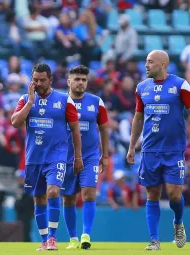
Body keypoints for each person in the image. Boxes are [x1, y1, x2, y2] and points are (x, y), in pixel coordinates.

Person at [126, 50, 190, 250]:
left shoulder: (179, 85)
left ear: (162, 64)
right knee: (152, 194)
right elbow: (138, 118)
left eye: (150, 62)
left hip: (174, 150)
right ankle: (154, 240)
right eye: (146, 62)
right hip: (150, 150)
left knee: (174, 194)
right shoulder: (142, 87)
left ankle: (178, 222)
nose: (146, 65)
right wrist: (132, 145)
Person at [11, 63, 83, 251]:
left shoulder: (64, 100)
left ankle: (52, 238)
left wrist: (77, 156)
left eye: (42, 80)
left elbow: (75, 130)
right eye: (35, 80)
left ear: (50, 80)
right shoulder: (25, 99)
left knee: (53, 192)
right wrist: (30, 102)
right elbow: (15, 123)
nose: (39, 83)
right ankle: (44, 240)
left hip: (57, 156)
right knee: (39, 198)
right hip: (34, 157)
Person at [62, 65, 110, 250]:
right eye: (77, 79)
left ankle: (86, 235)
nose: (80, 82)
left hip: (90, 155)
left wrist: (105, 155)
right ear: (69, 81)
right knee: (68, 198)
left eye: (83, 79)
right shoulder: (60, 101)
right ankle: (73, 238)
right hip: (66, 156)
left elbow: (105, 129)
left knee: (89, 193)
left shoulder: (96, 102)